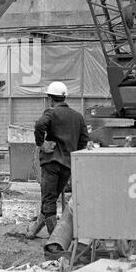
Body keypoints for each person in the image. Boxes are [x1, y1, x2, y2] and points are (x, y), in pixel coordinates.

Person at [26, 81, 89, 240]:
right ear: (64, 97)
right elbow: (84, 140)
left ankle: (55, 238)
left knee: (48, 201)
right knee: (51, 198)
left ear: (50, 98)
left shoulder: (51, 113)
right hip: (67, 165)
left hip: (51, 163)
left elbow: (40, 124)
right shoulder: (78, 116)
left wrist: (41, 143)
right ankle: (33, 230)